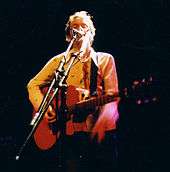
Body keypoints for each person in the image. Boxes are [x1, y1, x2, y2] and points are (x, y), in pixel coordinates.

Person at [27, 11, 119, 172]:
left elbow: (113, 97)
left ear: (91, 33)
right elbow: (33, 84)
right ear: (69, 34)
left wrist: (104, 121)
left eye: (84, 26)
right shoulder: (60, 61)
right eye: (74, 27)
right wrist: (46, 108)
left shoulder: (104, 59)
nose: (79, 30)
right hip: (69, 135)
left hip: (98, 133)